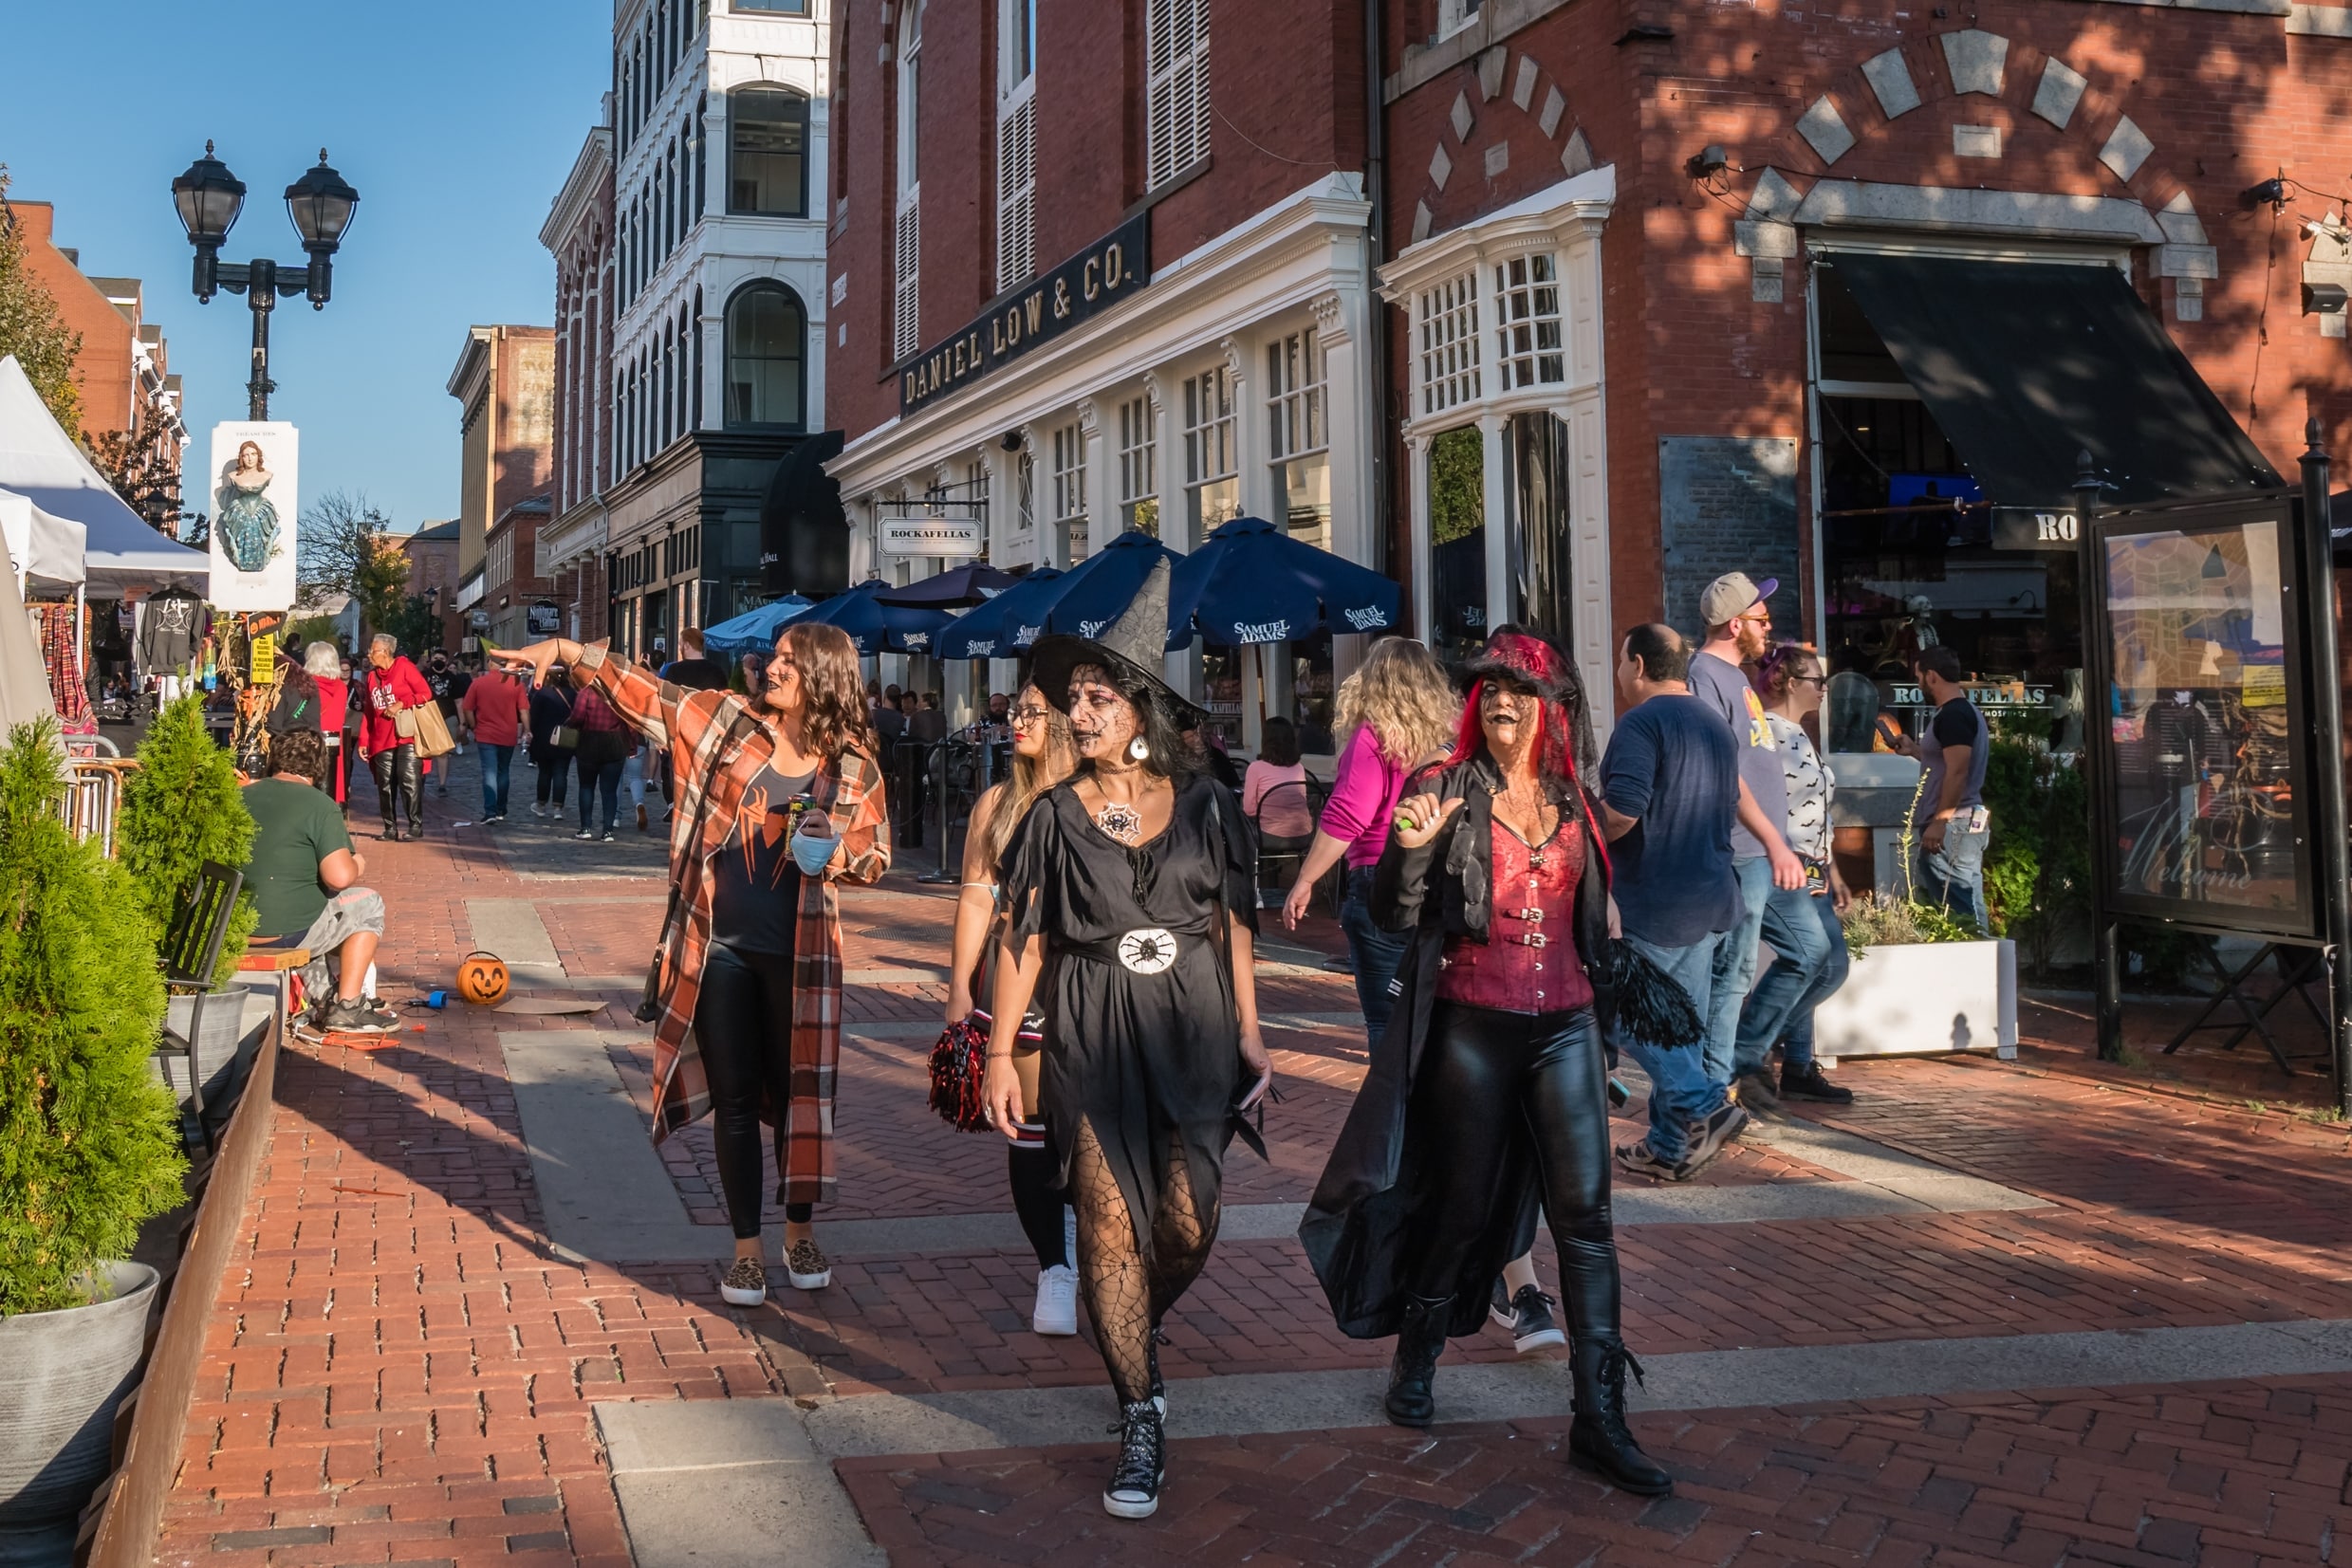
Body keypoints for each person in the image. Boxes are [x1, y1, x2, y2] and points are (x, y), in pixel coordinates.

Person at [1301, 628, 1672, 1498]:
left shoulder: (1569, 798)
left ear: (1550, 709)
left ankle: (1599, 1417)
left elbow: (1593, 911)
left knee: (1585, 1220)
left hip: (1566, 1027)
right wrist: (1411, 847)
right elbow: (1393, 915)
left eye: (1519, 689)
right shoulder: (1440, 787)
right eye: (1489, 689)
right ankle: (1418, 1357)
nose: (1501, 701)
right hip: (1473, 1024)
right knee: (1463, 1209)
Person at [979, 561, 1269, 1521]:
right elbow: (1021, 932)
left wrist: (1256, 1040)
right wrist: (995, 1053)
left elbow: (1232, 925)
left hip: (1193, 1027)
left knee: (1188, 1225)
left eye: (1100, 698)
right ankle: (1139, 1413)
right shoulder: (1055, 816)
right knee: (1106, 1224)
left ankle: (1129, 1327)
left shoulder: (1206, 808)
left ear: (1141, 711)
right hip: (1090, 1028)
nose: (1082, 713)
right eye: (1075, 700)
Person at [495, 623, 889, 1306]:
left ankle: (797, 1231)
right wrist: (565, 653)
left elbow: (876, 856)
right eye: (774, 657)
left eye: (789, 662)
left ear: (823, 675)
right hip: (717, 946)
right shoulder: (729, 723)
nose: (771, 668)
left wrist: (838, 852)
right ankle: (745, 1252)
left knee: (799, 1098)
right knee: (734, 1101)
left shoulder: (851, 766)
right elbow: (647, 696)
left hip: (800, 957)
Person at [945, 684, 1080, 1336]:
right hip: (1015, 980)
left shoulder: (1099, 795)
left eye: (1032, 711)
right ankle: (1054, 1265)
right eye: (1016, 710)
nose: (1015, 720)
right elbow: (976, 894)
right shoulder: (997, 803)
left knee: (1092, 1126)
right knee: (1028, 1127)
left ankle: (1108, 1255)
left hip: (1089, 980)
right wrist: (958, 988)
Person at [1597, 624, 1750, 1181]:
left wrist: (1577, 845)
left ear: (1637, 665)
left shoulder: (1642, 722)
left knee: (1634, 1019)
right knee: (1678, 1026)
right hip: (1710, 897)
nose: (1618, 673)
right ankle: (1668, 1146)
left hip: (1653, 900)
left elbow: (1621, 811)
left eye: (1620, 661)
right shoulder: (1715, 723)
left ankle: (1705, 1103)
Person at [1281, 638, 1457, 1046]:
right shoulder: (1453, 737)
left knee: (1387, 1022)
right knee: (1435, 1017)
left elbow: (1349, 816)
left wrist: (1305, 879)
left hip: (1382, 878)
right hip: (1440, 881)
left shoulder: (1375, 736)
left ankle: (1395, 1108)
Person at [1684, 572, 1809, 1113]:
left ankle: (1732, 1069)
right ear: (1735, 625)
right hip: (1741, 849)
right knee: (1730, 971)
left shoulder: (1736, 676)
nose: (1769, 627)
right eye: (1761, 619)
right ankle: (1714, 1090)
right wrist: (1772, 842)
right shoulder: (1705, 676)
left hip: (1763, 852)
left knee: (1813, 952)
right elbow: (1724, 771)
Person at [1734, 645, 1856, 1105]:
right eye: (1816, 680)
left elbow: (1815, 811)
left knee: (1822, 965)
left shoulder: (1800, 735)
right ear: (1787, 682)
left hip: (1813, 865)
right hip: (1782, 863)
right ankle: (1750, 1045)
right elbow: (1759, 802)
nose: (1824, 689)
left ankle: (1796, 1065)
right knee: (1819, 962)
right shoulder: (1764, 734)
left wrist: (1834, 868)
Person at [239, 728, 398, 1035]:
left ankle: (325, 996)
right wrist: (357, 863)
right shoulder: (319, 805)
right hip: (285, 931)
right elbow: (339, 877)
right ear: (319, 765)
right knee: (366, 905)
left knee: (316, 907)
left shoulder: (242, 795)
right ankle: (349, 1005)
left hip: (231, 927)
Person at [1897, 645, 1991, 931]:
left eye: (1919, 676)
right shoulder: (1961, 712)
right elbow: (1947, 762)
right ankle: (1984, 965)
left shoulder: (1953, 715)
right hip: (1963, 823)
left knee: (1958, 907)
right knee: (1968, 900)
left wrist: (1939, 822)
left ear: (1932, 676)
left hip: (1953, 826)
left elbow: (1958, 770)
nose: (1918, 683)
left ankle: (1975, 964)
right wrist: (1915, 750)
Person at [356, 634, 433, 841]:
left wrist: (402, 703)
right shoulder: (371, 677)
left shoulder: (405, 667)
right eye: (370, 651)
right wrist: (364, 739)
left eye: (374, 650)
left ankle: (415, 825)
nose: (370, 655)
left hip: (406, 734)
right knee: (385, 784)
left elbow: (426, 693)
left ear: (386, 651)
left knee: (409, 781)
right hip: (381, 738)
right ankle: (389, 827)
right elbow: (369, 711)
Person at [461, 661, 532, 822]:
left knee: (489, 772)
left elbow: (467, 708)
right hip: (507, 733)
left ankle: (490, 811)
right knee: (503, 771)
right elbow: (524, 710)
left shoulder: (478, 683)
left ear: (489, 663)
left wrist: (473, 726)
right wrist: (527, 730)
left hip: (485, 733)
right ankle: (501, 808)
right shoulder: (516, 684)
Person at [570, 680, 632, 840]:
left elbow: (577, 716)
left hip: (589, 742)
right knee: (610, 791)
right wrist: (632, 746)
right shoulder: (619, 694)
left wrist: (571, 726)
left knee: (586, 786)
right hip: (615, 743)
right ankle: (608, 830)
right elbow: (629, 721)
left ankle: (585, 828)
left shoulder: (587, 691)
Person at [301, 643, 350, 803]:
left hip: (310, 742)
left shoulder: (307, 687)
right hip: (334, 744)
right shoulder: (341, 688)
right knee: (330, 788)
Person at [528, 670, 575, 818]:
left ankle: (541, 804)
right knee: (561, 773)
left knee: (544, 772)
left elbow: (533, 717)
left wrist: (531, 734)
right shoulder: (573, 694)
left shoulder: (542, 694)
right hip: (565, 737)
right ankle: (558, 808)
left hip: (544, 738)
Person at [425, 652, 470, 797]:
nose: (438, 661)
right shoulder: (423, 675)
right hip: (427, 716)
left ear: (447, 661)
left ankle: (442, 784)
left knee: (443, 752)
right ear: (431, 660)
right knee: (424, 750)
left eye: (442, 659)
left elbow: (459, 702)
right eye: (436, 658)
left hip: (448, 717)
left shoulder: (453, 679)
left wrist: (462, 723)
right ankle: (421, 777)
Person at [658, 627, 730, 692]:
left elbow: (667, 699)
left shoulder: (674, 670)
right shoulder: (717, 671)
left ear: (686, 645)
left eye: (680, 645)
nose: (680, 649)